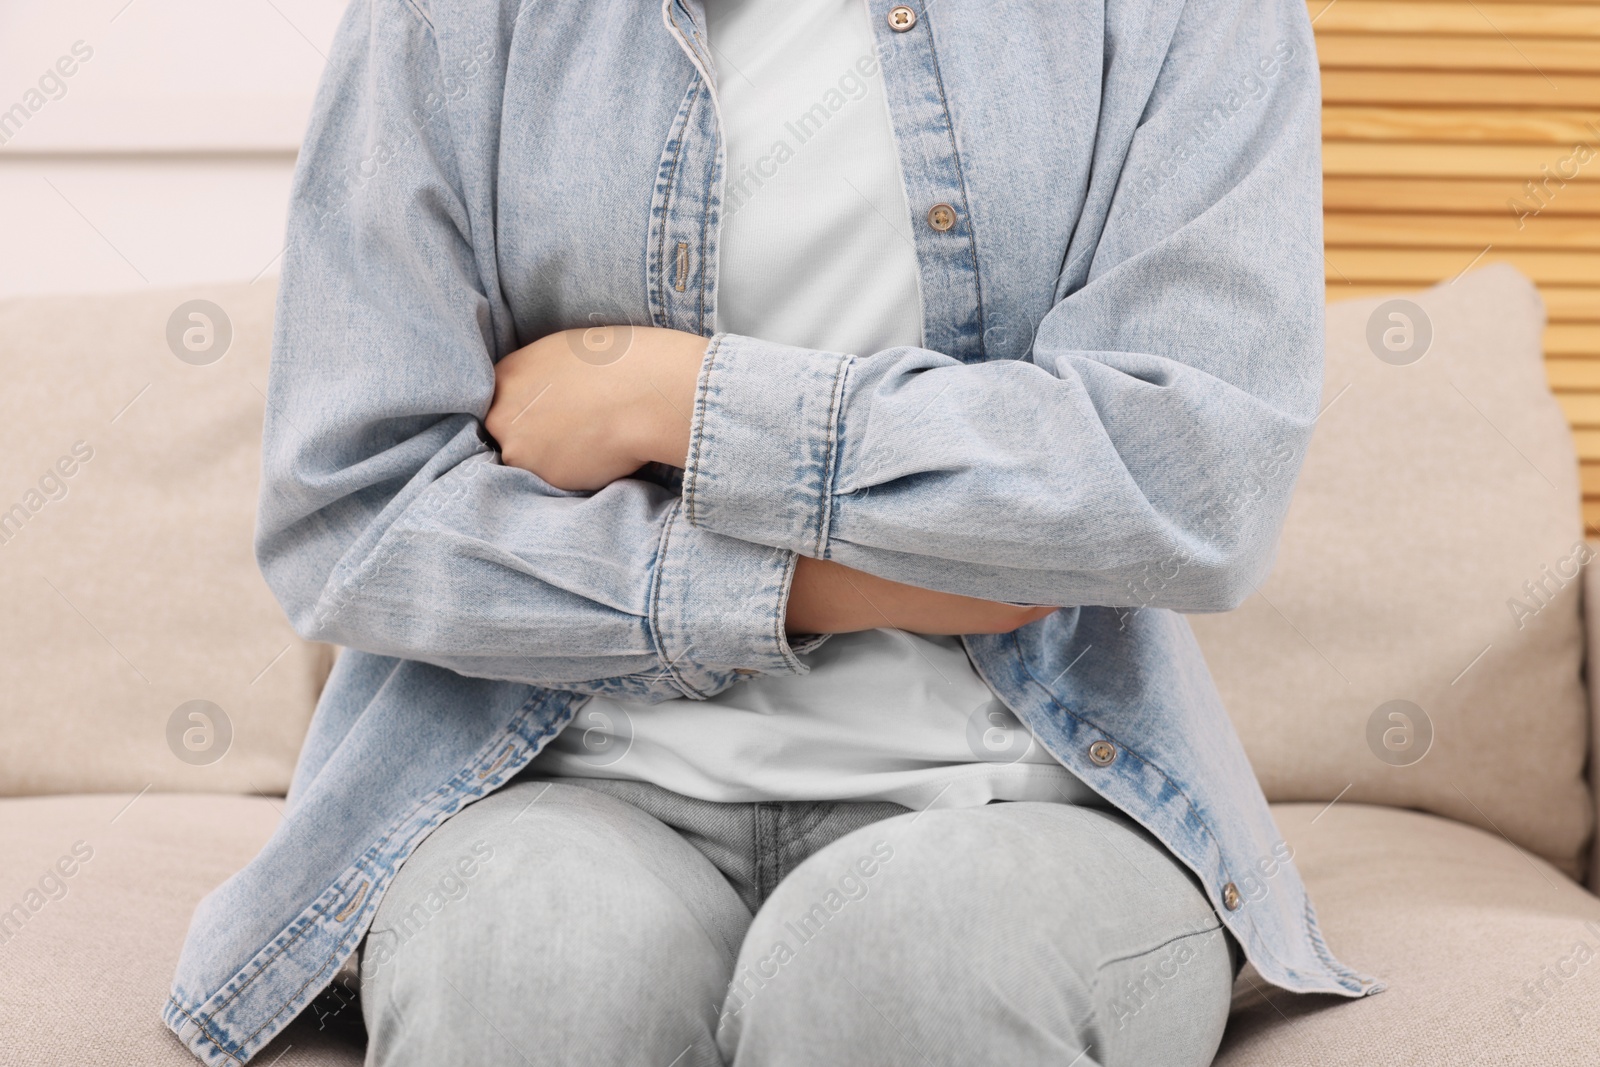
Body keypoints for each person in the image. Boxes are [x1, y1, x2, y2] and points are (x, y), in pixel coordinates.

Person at [164, 1, 1381, 1065]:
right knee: (530, 966)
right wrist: (847, 581)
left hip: (1031, 802)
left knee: (904, 971)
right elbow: (356, 510)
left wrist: (672, 395)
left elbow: (1191, 482)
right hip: (545, 781)